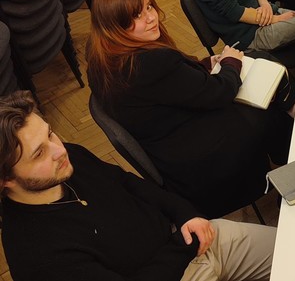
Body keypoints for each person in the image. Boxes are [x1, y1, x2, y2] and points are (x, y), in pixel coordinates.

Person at [0, 90, 276, 281]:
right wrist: (184, 244)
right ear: (5, 180)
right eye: (39, 153)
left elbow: (128, 182)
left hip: (191, 239)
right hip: (181, 254)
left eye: (50, 133)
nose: (60, 150)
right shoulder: (40, 259)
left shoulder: (67, 159)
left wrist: (185, 214)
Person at [86, 0, 295, 218]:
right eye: (136, 16)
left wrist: (205, 65)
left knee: (262, 76)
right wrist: (230, 62)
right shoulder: (151, 64)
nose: (151, 18)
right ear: (116, 26)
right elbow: (220, 92)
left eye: (148, 7)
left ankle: (291, 155)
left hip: (172, 151)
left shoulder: (101, 59)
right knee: (268, 104)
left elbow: (167, 87)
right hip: (203, 160)